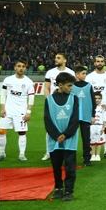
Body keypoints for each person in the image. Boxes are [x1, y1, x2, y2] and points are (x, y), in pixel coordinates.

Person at [44, 72, 79, 202]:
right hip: (55, 140)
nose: (71, 88)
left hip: (69, 139)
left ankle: (69, 190)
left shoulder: (74, 98)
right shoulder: (49, 100)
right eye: (69, 86)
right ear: (60, 85)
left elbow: (75, 120)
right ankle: (58, 188)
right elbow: (47, 120)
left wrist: (65, 134)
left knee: (70, 166)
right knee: (56, 165)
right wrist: (57, 135)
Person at [41, 53, 75, 161]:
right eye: (55, 57)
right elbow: (46, 88)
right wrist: (48, 101)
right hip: (53, 103)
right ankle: (49, 151)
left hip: (67, 103)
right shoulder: (50, 72)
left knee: (66, 128)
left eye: (58, 58)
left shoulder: (71, 72)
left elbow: (72, 89)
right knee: (51, 128)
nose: (56, 59)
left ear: (65, 60)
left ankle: (65, 151)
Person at [0, 61, 34, 161]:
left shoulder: (28, 82)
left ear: (25, 69)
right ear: (14, 68)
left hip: (21, 112)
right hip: (8, 111)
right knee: (1, 131)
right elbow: (3, 94)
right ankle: (2, 152)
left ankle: (22, 154)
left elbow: (31, 98)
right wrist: (2, 108)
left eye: (23, 66)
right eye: (19, 66)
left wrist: (28, 112)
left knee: (22, 132)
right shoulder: (8, 80)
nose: (21, 68)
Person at [87, 56, 106, 159]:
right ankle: (89, 152)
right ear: (94, 63)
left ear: (104, 63)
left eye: (101, 61)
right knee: (91, 128)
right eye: (97, 61)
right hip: (92, 107)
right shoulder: (89, 77)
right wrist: (94, 104)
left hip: (105, 107)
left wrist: (104, 103)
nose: (99, 63)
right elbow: (88, 93)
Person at [71, 65, 95, 166]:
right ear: (77, 74)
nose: (85, 75)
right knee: (72, 138)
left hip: (86, 116)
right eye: (83, 73)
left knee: (86, 138)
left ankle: (87, 159)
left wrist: (93, 115)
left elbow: (93, 101)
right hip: (73, 117)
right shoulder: (71, 86)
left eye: (85, 73)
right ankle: (71, 159)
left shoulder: (89, 86)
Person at [90, 92, 106, 162]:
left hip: (99, 126)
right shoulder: (90, 107)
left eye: (99, 98)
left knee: (99, 141)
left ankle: (98, 155)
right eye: (95, 98)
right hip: (92, 126)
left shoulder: (103, 108)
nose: (97, 100)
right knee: (92, 141)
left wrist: (103, 127)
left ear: (101, 99)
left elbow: (105, 119)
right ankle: (93, 155)